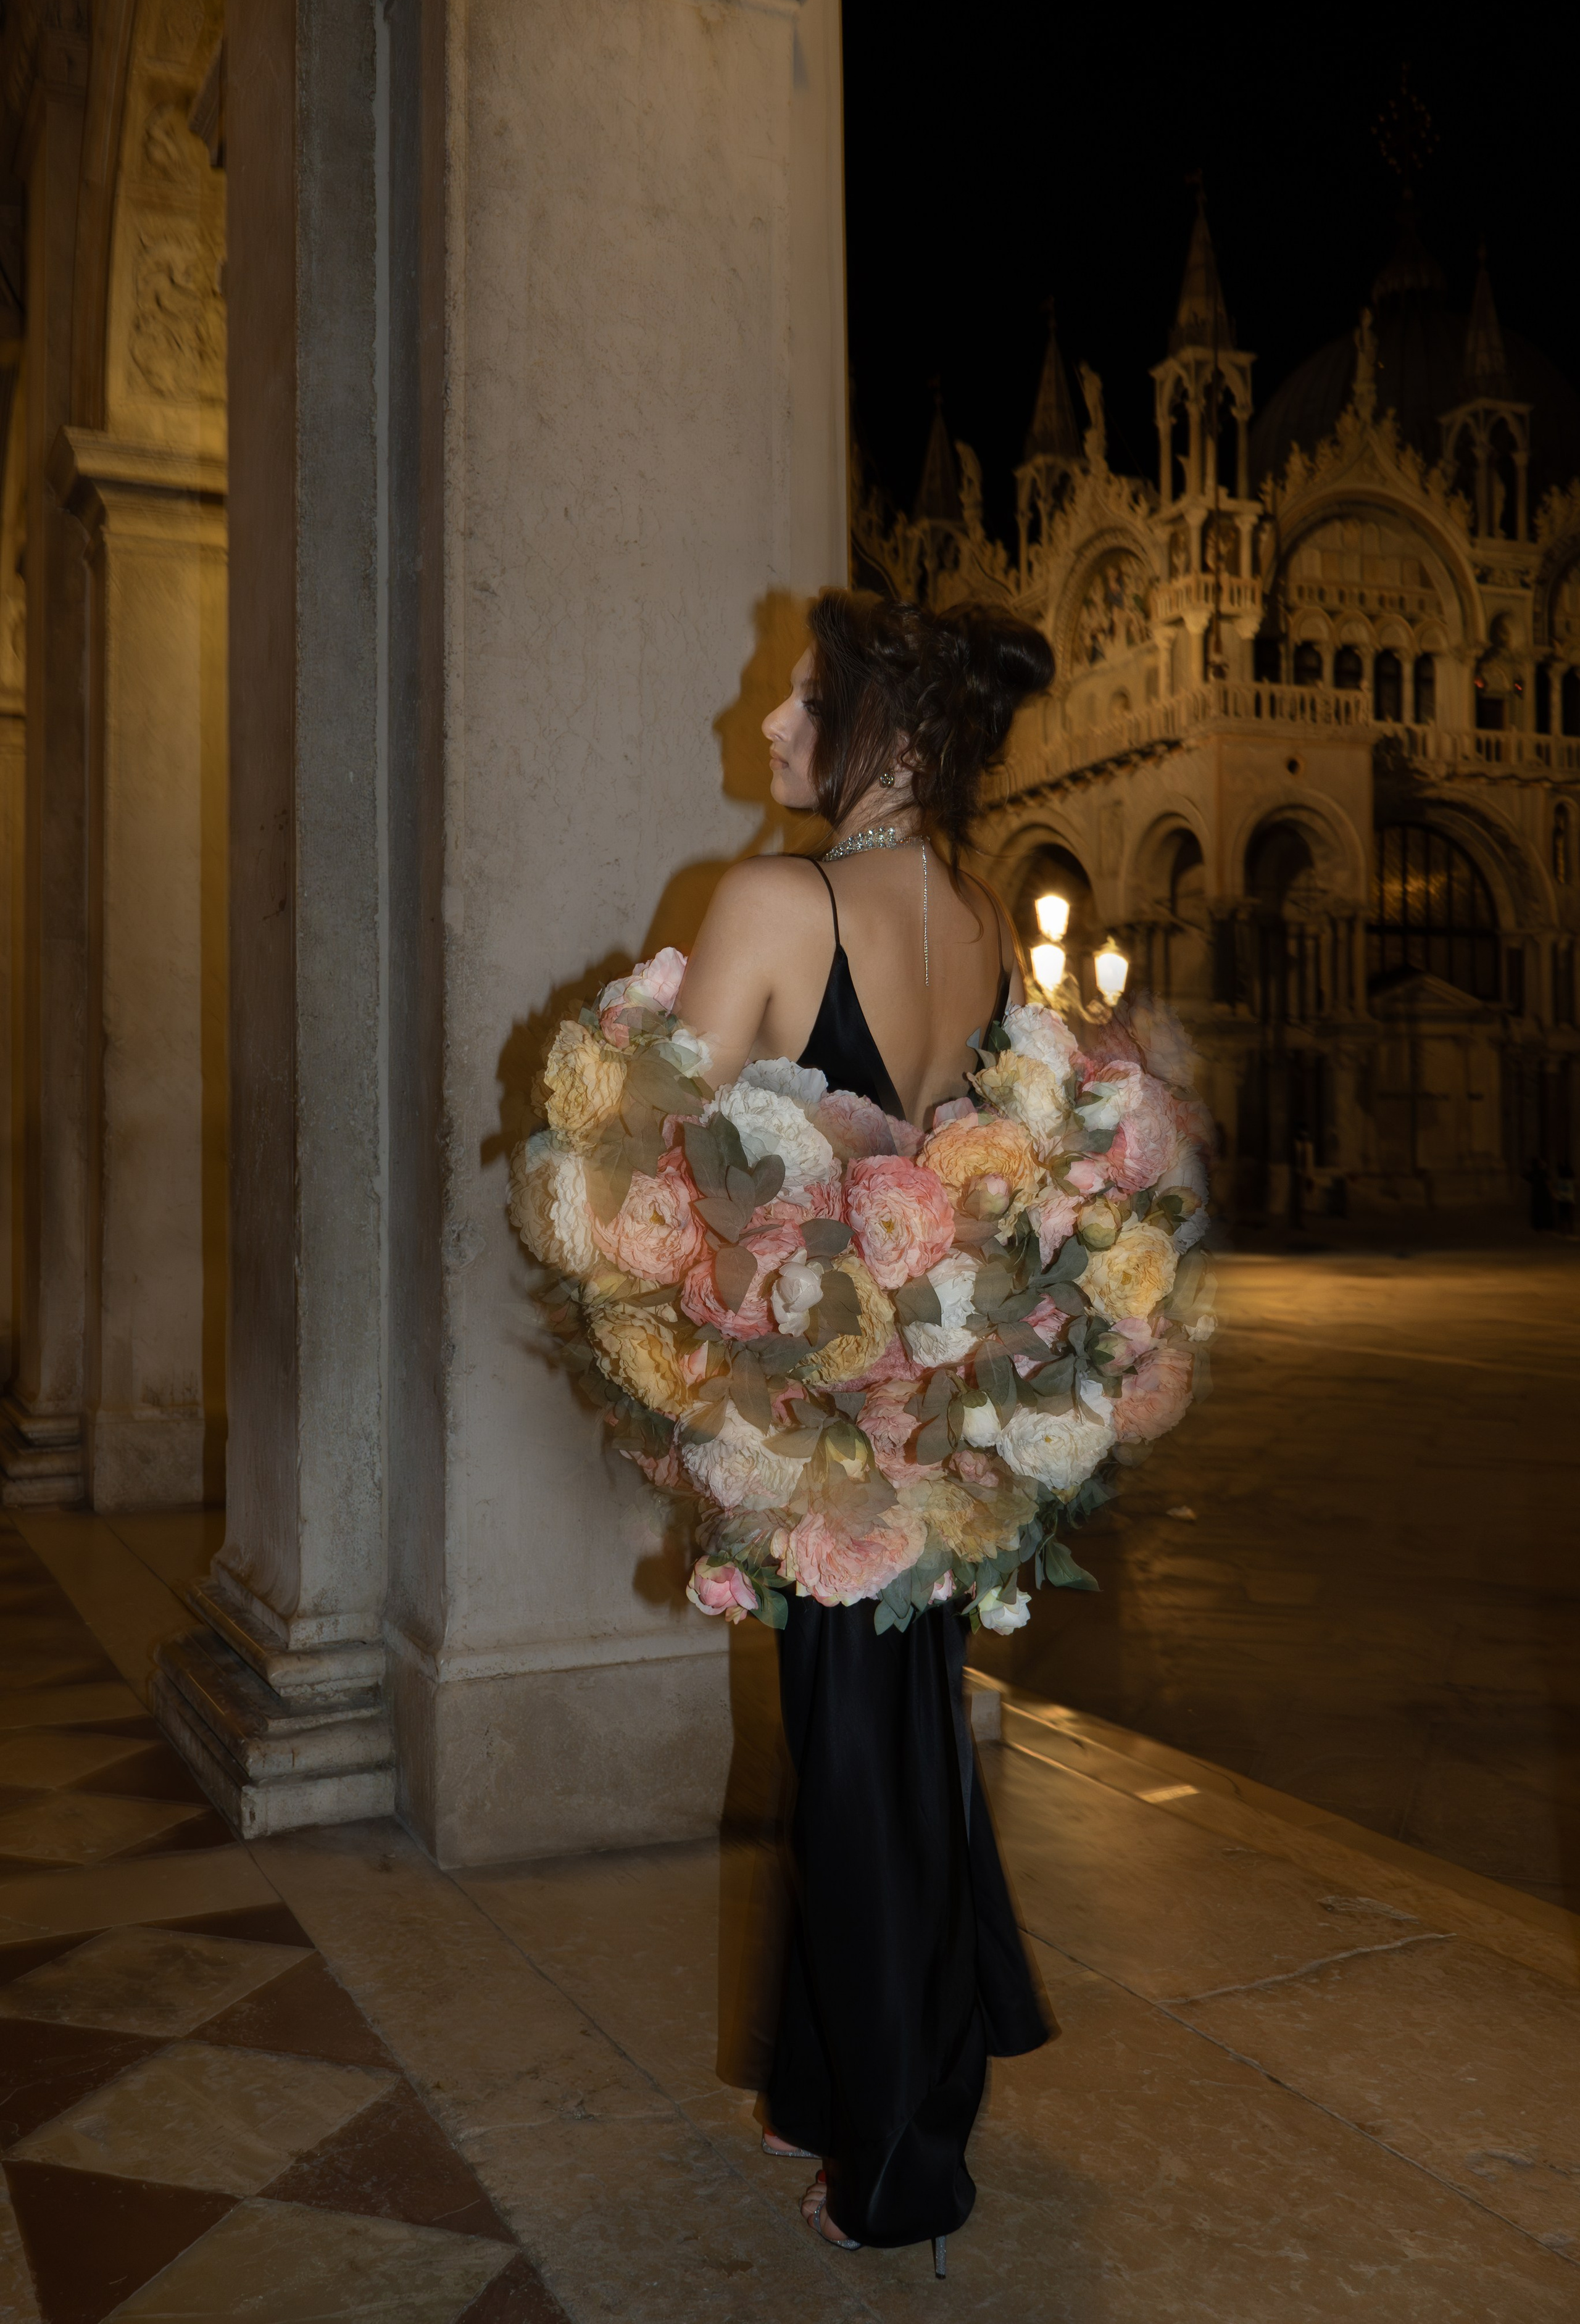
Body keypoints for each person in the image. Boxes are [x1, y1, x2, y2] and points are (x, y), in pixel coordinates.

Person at [678, 590, 1055, 2275]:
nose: (767, 730)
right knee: (900, 1739)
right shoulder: (978, 917)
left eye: (799, 702)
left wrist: (679, 1366)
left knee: (848, 1752)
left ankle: (899, 2156)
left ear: (886, 733)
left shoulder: (771, 900)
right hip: (938, 1405)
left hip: (812, 1406)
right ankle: (855, 2084)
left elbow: (657, 1167)